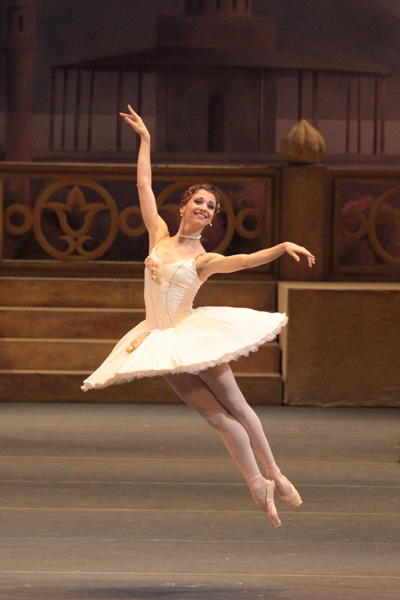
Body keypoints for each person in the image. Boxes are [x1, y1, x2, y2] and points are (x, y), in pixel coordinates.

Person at [82, 106, 316, 528]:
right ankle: (256, 484)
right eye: (200, 201)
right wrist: (146, 142)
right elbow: (143, 184)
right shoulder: (157, 234)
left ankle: (277, 472)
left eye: (212, 206)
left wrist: (281, 246)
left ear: (211, 218)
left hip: (192, 334)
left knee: (238, 406)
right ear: (184, 206)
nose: (206, 208)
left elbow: (245, 261)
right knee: (215, 417)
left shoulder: (204, 259)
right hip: (161, 339)